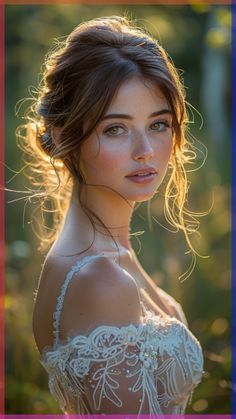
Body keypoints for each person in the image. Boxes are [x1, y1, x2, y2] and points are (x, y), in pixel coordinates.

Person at [19, 16, 204, 414]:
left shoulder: (106, 253)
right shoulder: (98, 279)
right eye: (116, 129)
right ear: (66, 134)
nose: (145, 150)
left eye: (158, 124)